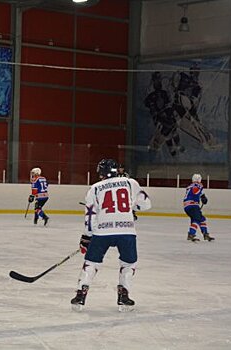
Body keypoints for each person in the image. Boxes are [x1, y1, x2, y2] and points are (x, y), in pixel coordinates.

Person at [71, 159, 151, 311]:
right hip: (126, 231)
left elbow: (90, 215)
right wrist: (131, 207)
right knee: (128, 264)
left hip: (102, 232)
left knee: (91, 262)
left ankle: (81, 294)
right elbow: (146, 204)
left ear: (101, 173)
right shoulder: (130, 183)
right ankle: (124, 295)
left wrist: (86, 237)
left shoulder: (94, 188)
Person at [145, 71, 183, 156]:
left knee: (173, 129)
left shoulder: (164, 93)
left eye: (159, 80)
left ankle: (178, 145)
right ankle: (171, 148)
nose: (158, 82)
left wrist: (173, 113)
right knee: (166, 131)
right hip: (159, 118)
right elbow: (149, 106)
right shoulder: (151, 96)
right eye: (156, 80)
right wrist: (155, 112)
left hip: (167, 114)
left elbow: (169, 104)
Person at [183, 173, 214, 242]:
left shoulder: (190, 186)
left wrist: (202, 196)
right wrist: (202, 195)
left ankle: (205, 234)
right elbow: (195, 191)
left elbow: (196, 193)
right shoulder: (197, 185)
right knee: (196, 219)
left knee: (202, 219)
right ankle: (191, 234)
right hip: (192, 205)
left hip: (188, 206)